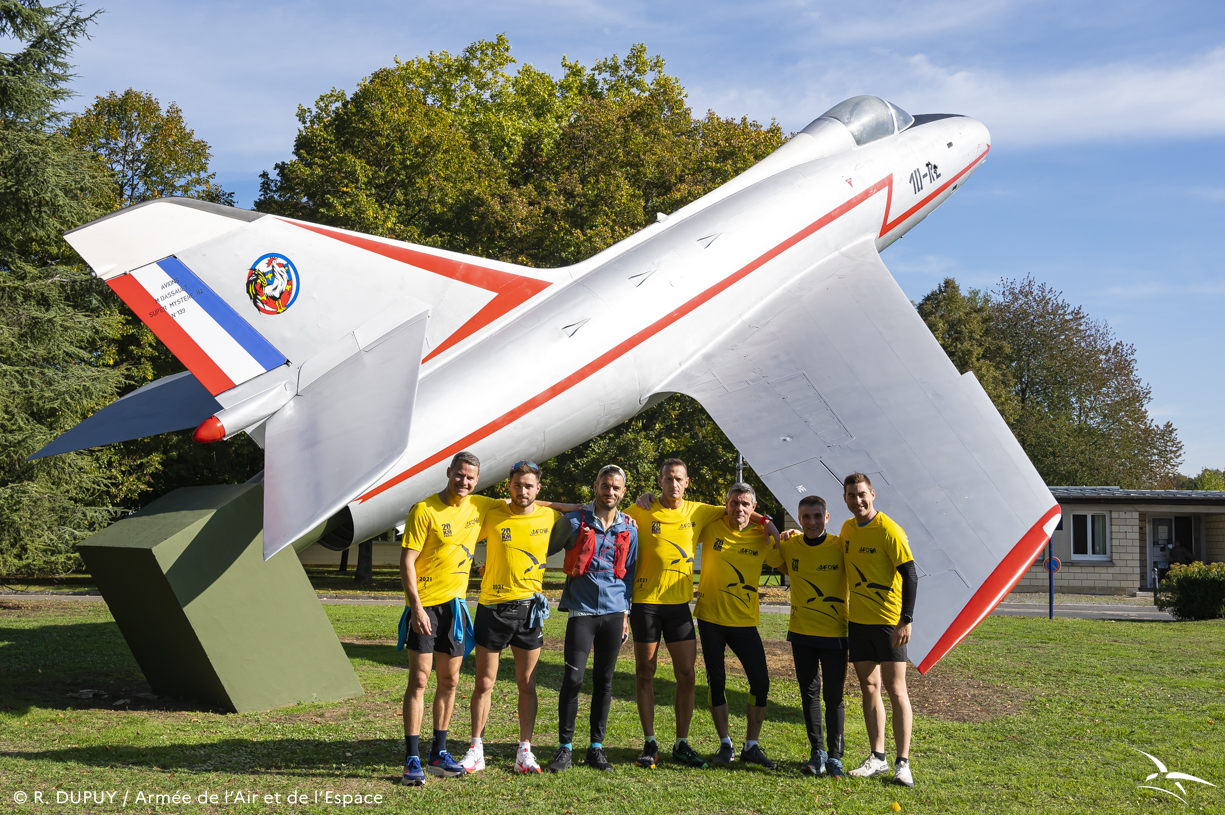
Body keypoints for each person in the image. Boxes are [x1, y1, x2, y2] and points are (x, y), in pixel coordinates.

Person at [627, 459, 779, 769]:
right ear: (660, 480)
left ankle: (682, 743)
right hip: (646, 603)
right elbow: (609, 514)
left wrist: (767, 521)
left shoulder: (700, 511)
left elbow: (740, 509)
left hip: (680, 607)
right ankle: (650, 742)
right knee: (645, 672)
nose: (673, 483)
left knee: (687, 675)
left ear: (687, 482)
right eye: (668, 478)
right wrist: (640, 499)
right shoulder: (642, 508)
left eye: (679, 479)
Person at [399, 451, 503, 786]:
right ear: (448, 472)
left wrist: (580, 508)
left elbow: (526, 500)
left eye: (470, 478)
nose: (464, 482)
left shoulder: (480, 506)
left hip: (455, 609)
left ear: (477, 480)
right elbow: (407, 561)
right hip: (426, 607)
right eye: (459, 474)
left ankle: (438, 753)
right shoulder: (425, 509)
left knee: (450, 680)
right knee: (419, 679)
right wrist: (416, 607)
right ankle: (412, 758)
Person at [464, 460, 562, 775]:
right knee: (484, 682)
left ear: (538, 489)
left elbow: (585, 513)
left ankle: (525, 752)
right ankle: (476, 749)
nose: (523, 491)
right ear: (509, 486)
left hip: (529, 612)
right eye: (517, 485)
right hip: (492, 610)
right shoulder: (493, 513)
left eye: (529, 486)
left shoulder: (549, 517)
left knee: (527, 684)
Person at [544, 464, 638, 773]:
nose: (610, 491)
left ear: (623, 492)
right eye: (605, 485)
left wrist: (625, 614)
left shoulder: (630, 528)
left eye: (616, 487)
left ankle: (596, 747)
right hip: (582, 611)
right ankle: (565, 748)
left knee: (604, 681)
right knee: (573, 680)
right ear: (595, 486)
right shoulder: (574, 522)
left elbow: (629, 575)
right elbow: (542, 548)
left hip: (614, 613)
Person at [693, 483, 783, 769]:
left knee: (761, 682)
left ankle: (751, 746)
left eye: (745, 504)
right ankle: (725, 743)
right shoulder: (712, 526)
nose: (739, 508)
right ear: (726, 504)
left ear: (753, 507)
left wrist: (779, 530)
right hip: (710, 619)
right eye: (734, 503)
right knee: (716, 682)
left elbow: (787, 562)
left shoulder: (762, 536)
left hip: (744, 622)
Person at [839, 473, 918, 788]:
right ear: (845, 499)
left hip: (888, 623)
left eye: (862, 494)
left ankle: (903, 764)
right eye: (851, 495)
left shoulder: (888, 529)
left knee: (896, 690)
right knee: (869, 687)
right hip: (858, 623)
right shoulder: (846, 529)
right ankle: (878, 757)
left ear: (872, 494)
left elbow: (910, 575)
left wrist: (906, 619)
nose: (857, 500)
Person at [777, 494, 848, 779]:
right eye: (806, 517)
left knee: (833, 696)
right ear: (799, 519)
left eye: (818, 516)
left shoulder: (840, 546)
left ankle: (835, 757)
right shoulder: (790, 545)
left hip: (835, 634)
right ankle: (817, 752)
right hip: (802, 633)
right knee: (809, 694)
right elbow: (772, 551)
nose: (812, 522)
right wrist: (778, 531)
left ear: (827, 518)